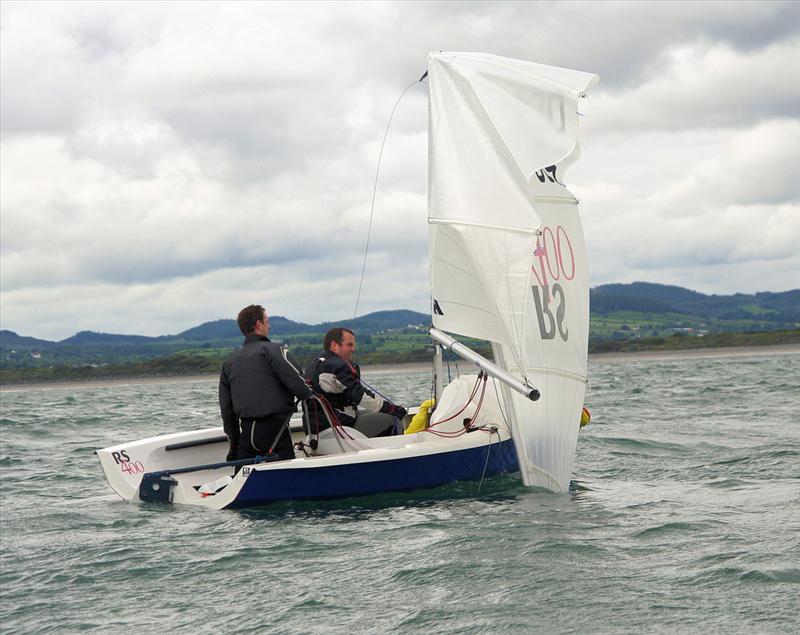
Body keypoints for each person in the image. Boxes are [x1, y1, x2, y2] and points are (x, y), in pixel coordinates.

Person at [219, 304, 312, 465]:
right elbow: (300, 387)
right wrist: (311, 393)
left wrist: (234, 444)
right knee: (287, 479)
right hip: (276, 432)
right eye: (267, 321)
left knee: (241, 483)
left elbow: (226, 409)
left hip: (246, 436)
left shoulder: (229, 361)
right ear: (258, 324)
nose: (269, 325)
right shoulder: (275, 350)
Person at [304, 327, 406, 435]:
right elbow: (359, 396)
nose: (353, 349)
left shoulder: (314, 364)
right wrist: (391, 409)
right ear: (334, 345)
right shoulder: (337, 366)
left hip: (316, 425)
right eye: (349, 345)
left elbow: (354, 390)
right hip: (337, 425)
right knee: (392, 417)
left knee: (375, 411)